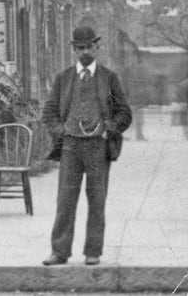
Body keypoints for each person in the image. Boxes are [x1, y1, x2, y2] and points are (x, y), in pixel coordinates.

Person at [41, 24, 132, 267]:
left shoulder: (109, 78)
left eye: (89, 47)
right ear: (73, 49)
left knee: (97, 200)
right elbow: (49, 112)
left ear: (97, 47)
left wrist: (109, 129)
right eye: (80, 48)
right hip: (70, 147)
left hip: (97, 148)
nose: (85, 52)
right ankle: (59, 252)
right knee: (65, 201)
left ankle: (93, 252)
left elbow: (125, 113)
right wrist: (61, 131)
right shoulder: (63, 78)